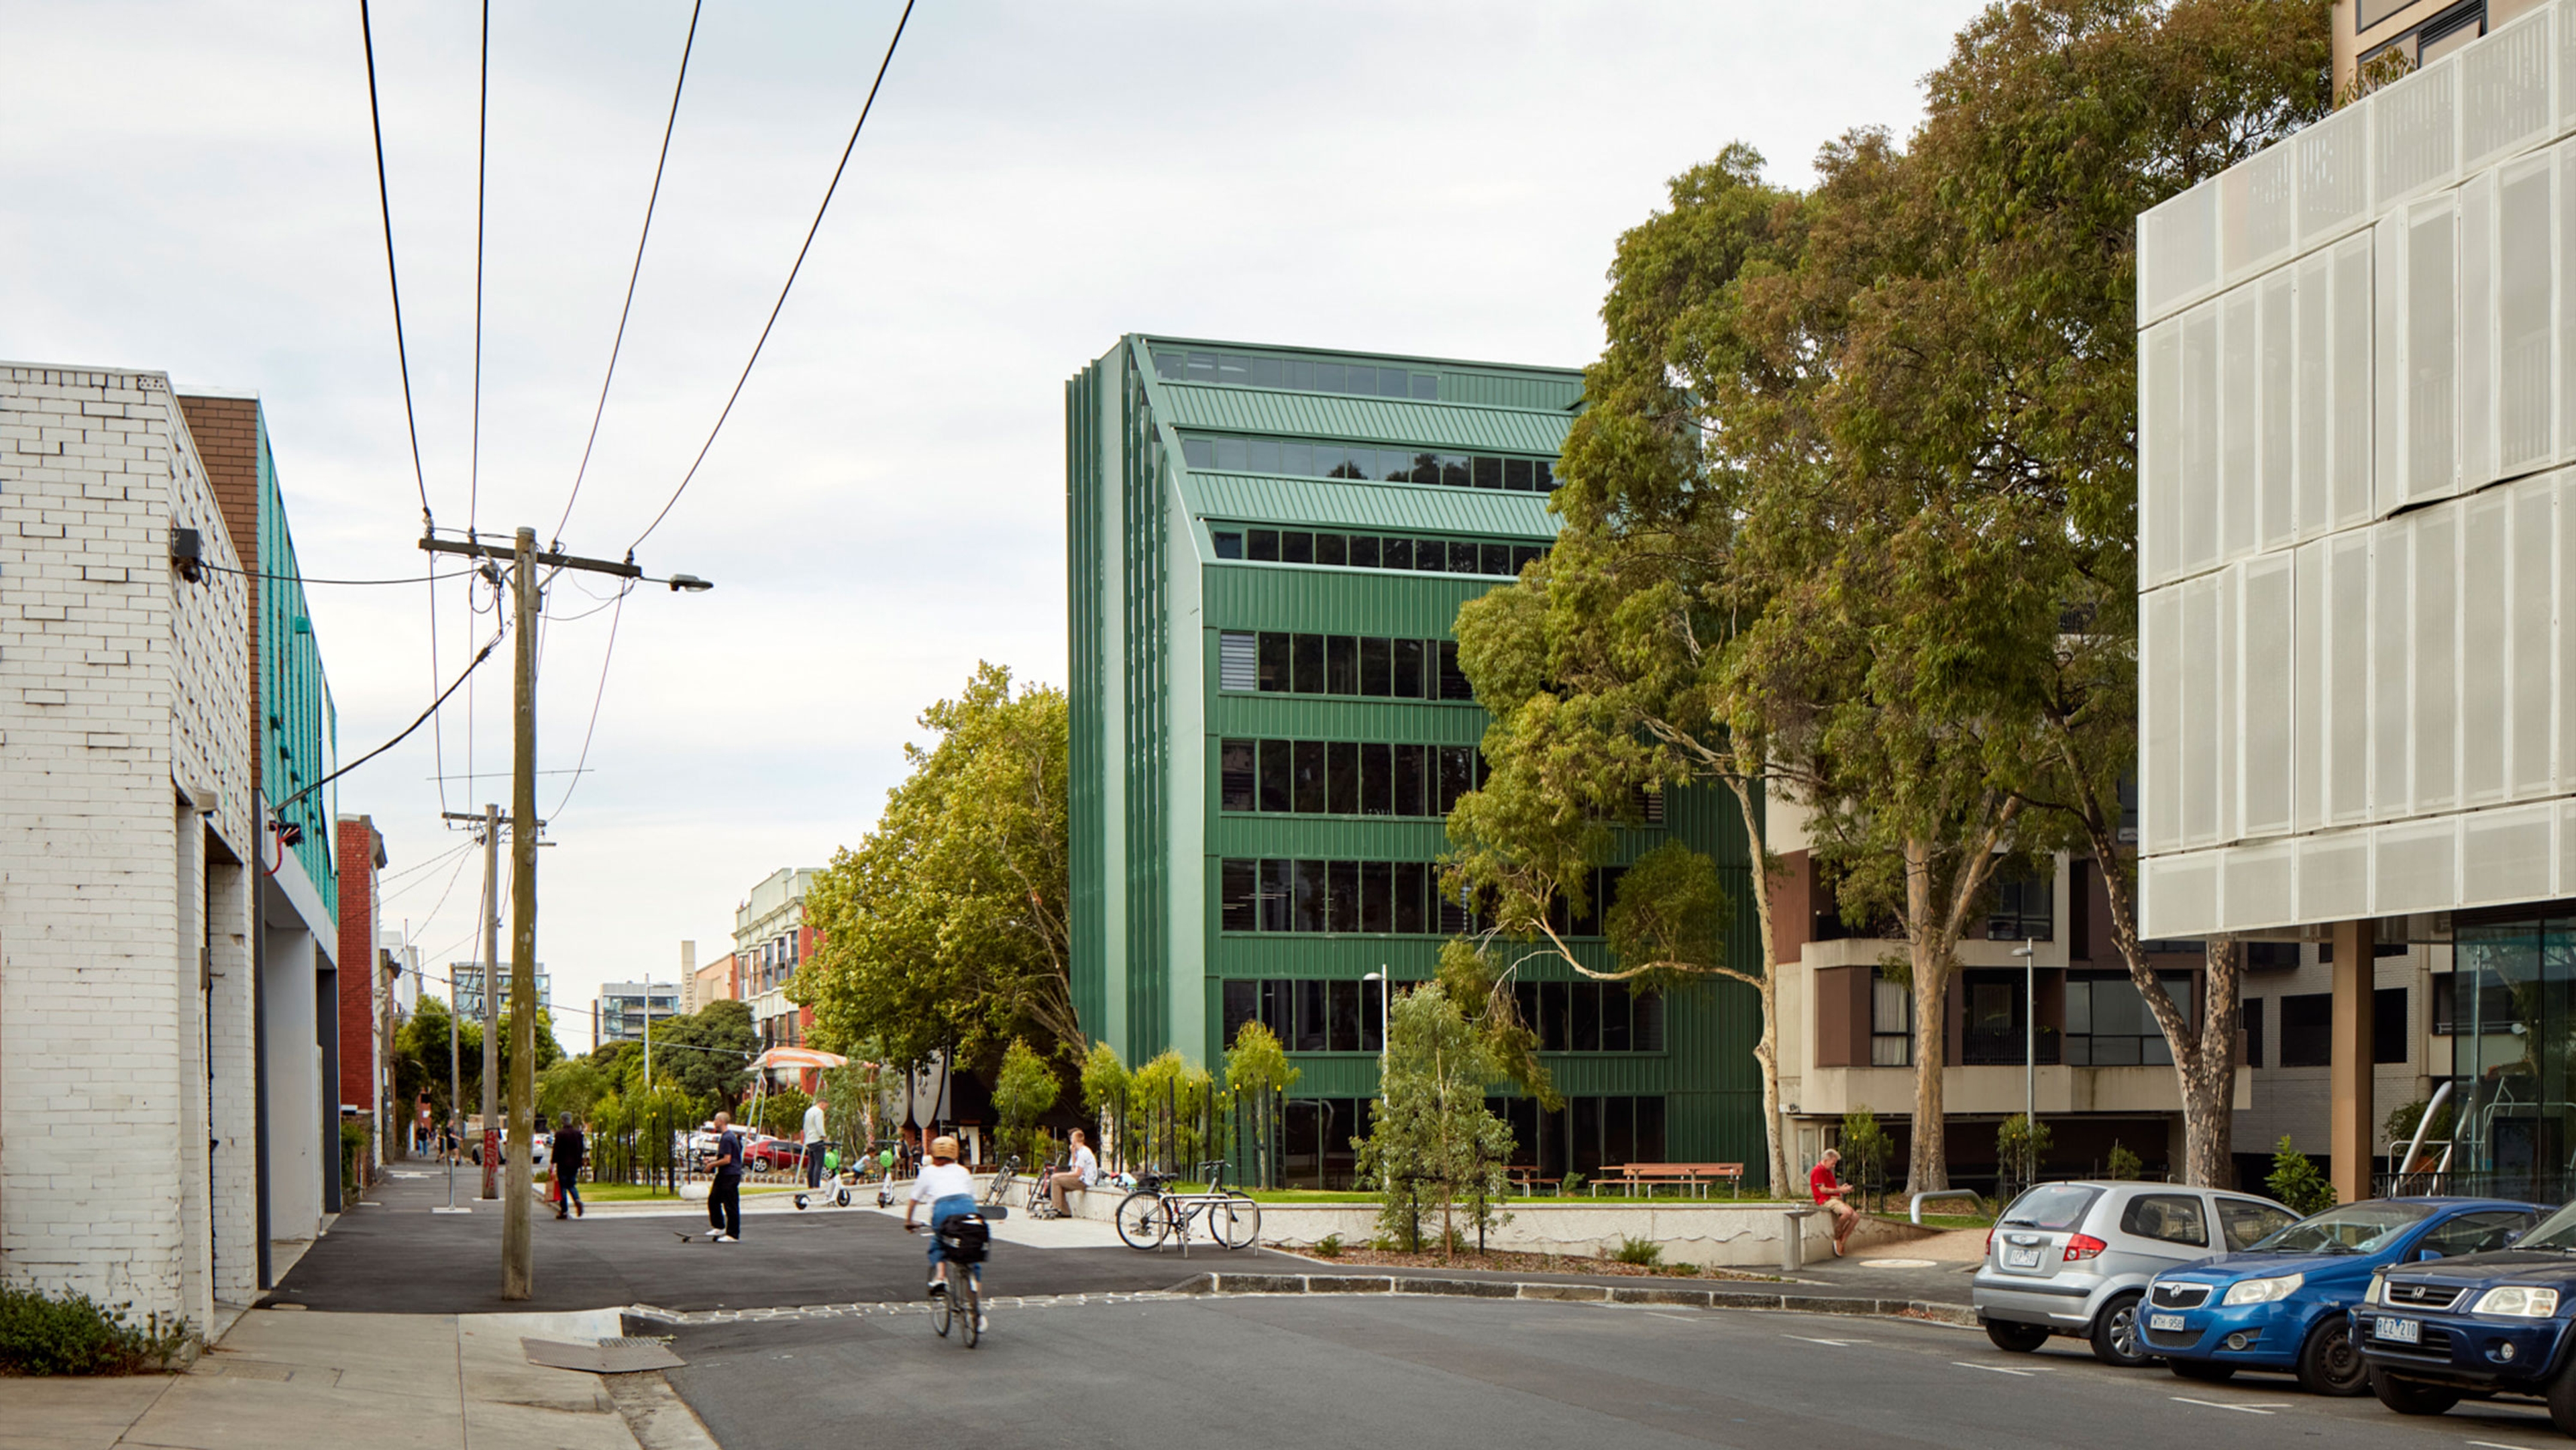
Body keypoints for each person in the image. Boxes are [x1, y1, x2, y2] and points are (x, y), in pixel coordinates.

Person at [905, 1135, 985, 1329]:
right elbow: (973, 1198)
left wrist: (909, 1221)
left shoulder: (927, 1172)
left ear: (933, 1154)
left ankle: (940, 1278)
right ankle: (976, 1312)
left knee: (939, 1243)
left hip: (943, 1210)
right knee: (971, 1254)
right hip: (967, 1208)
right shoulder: (963, 1171)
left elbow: (914, 1199)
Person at [1810, 1147, 1860, 1257]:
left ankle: (1842, 1240)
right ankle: (1837, 1236)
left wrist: (1842, 1188)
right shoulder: (1818, 1171)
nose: (1834, 1166)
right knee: (1847, 1212)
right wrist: (1840, 1190)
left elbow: (1831, 1187)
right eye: (1833, 1163)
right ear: (1826, 1160)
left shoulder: (1827, 1171)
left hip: (1834, 1198)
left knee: (1855, 1217)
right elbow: (1823, 1190)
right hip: (1826, 1199)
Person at [707, 1110, 743, 1243]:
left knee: (730, 1204)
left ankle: (733, 1234)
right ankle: (719, 1226)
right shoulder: (727, 1137)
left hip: (730, 1175)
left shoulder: (727, 1138)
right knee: (714, 1199)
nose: (714, 1122)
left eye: (715, 1120)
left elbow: (727, 1160)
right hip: (724, 1174)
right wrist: (712, 1160)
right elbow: (724, 1156)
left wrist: (711, 1165)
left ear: (721, 1121)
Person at [1046, 1128, 1099, 1216]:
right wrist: (1073, 1153)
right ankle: (1065, 1212)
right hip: (1081, 1178)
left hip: (1085, 1181)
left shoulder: (1084, 1152)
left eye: (1071, 1138)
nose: (1070, 1140)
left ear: (1075, 1140)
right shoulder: (1078, 1151)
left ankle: (1056, 1208)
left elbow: (1077, 1173)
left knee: (1055, 1179)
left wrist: (1059, 1175)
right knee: (1058, 1182)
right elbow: (1074, 1168)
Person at [552, 1115, 588, 1219]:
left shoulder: (560, 1134)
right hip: (574, 1164)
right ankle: (577, 1199)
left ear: (562, 1121)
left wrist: (553, 1163)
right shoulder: (578, 1134)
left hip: (562, 1164)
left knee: (563, 1186)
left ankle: (564, 1211)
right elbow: (581, 1149)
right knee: (572, 1184)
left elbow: (556, 1150)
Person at [802, 1094, 828, 1190]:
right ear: (822, 1104)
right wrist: (825, 1137)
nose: (826, 1109)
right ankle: (816, 1185)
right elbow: (819, 1126)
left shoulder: (809, 1111)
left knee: (811, 1164)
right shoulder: (819, 1112)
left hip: (809, 1140)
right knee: (819, 1164)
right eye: (826, 1106)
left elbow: (805, 1127)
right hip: (817, 1139)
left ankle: (810, 1185)